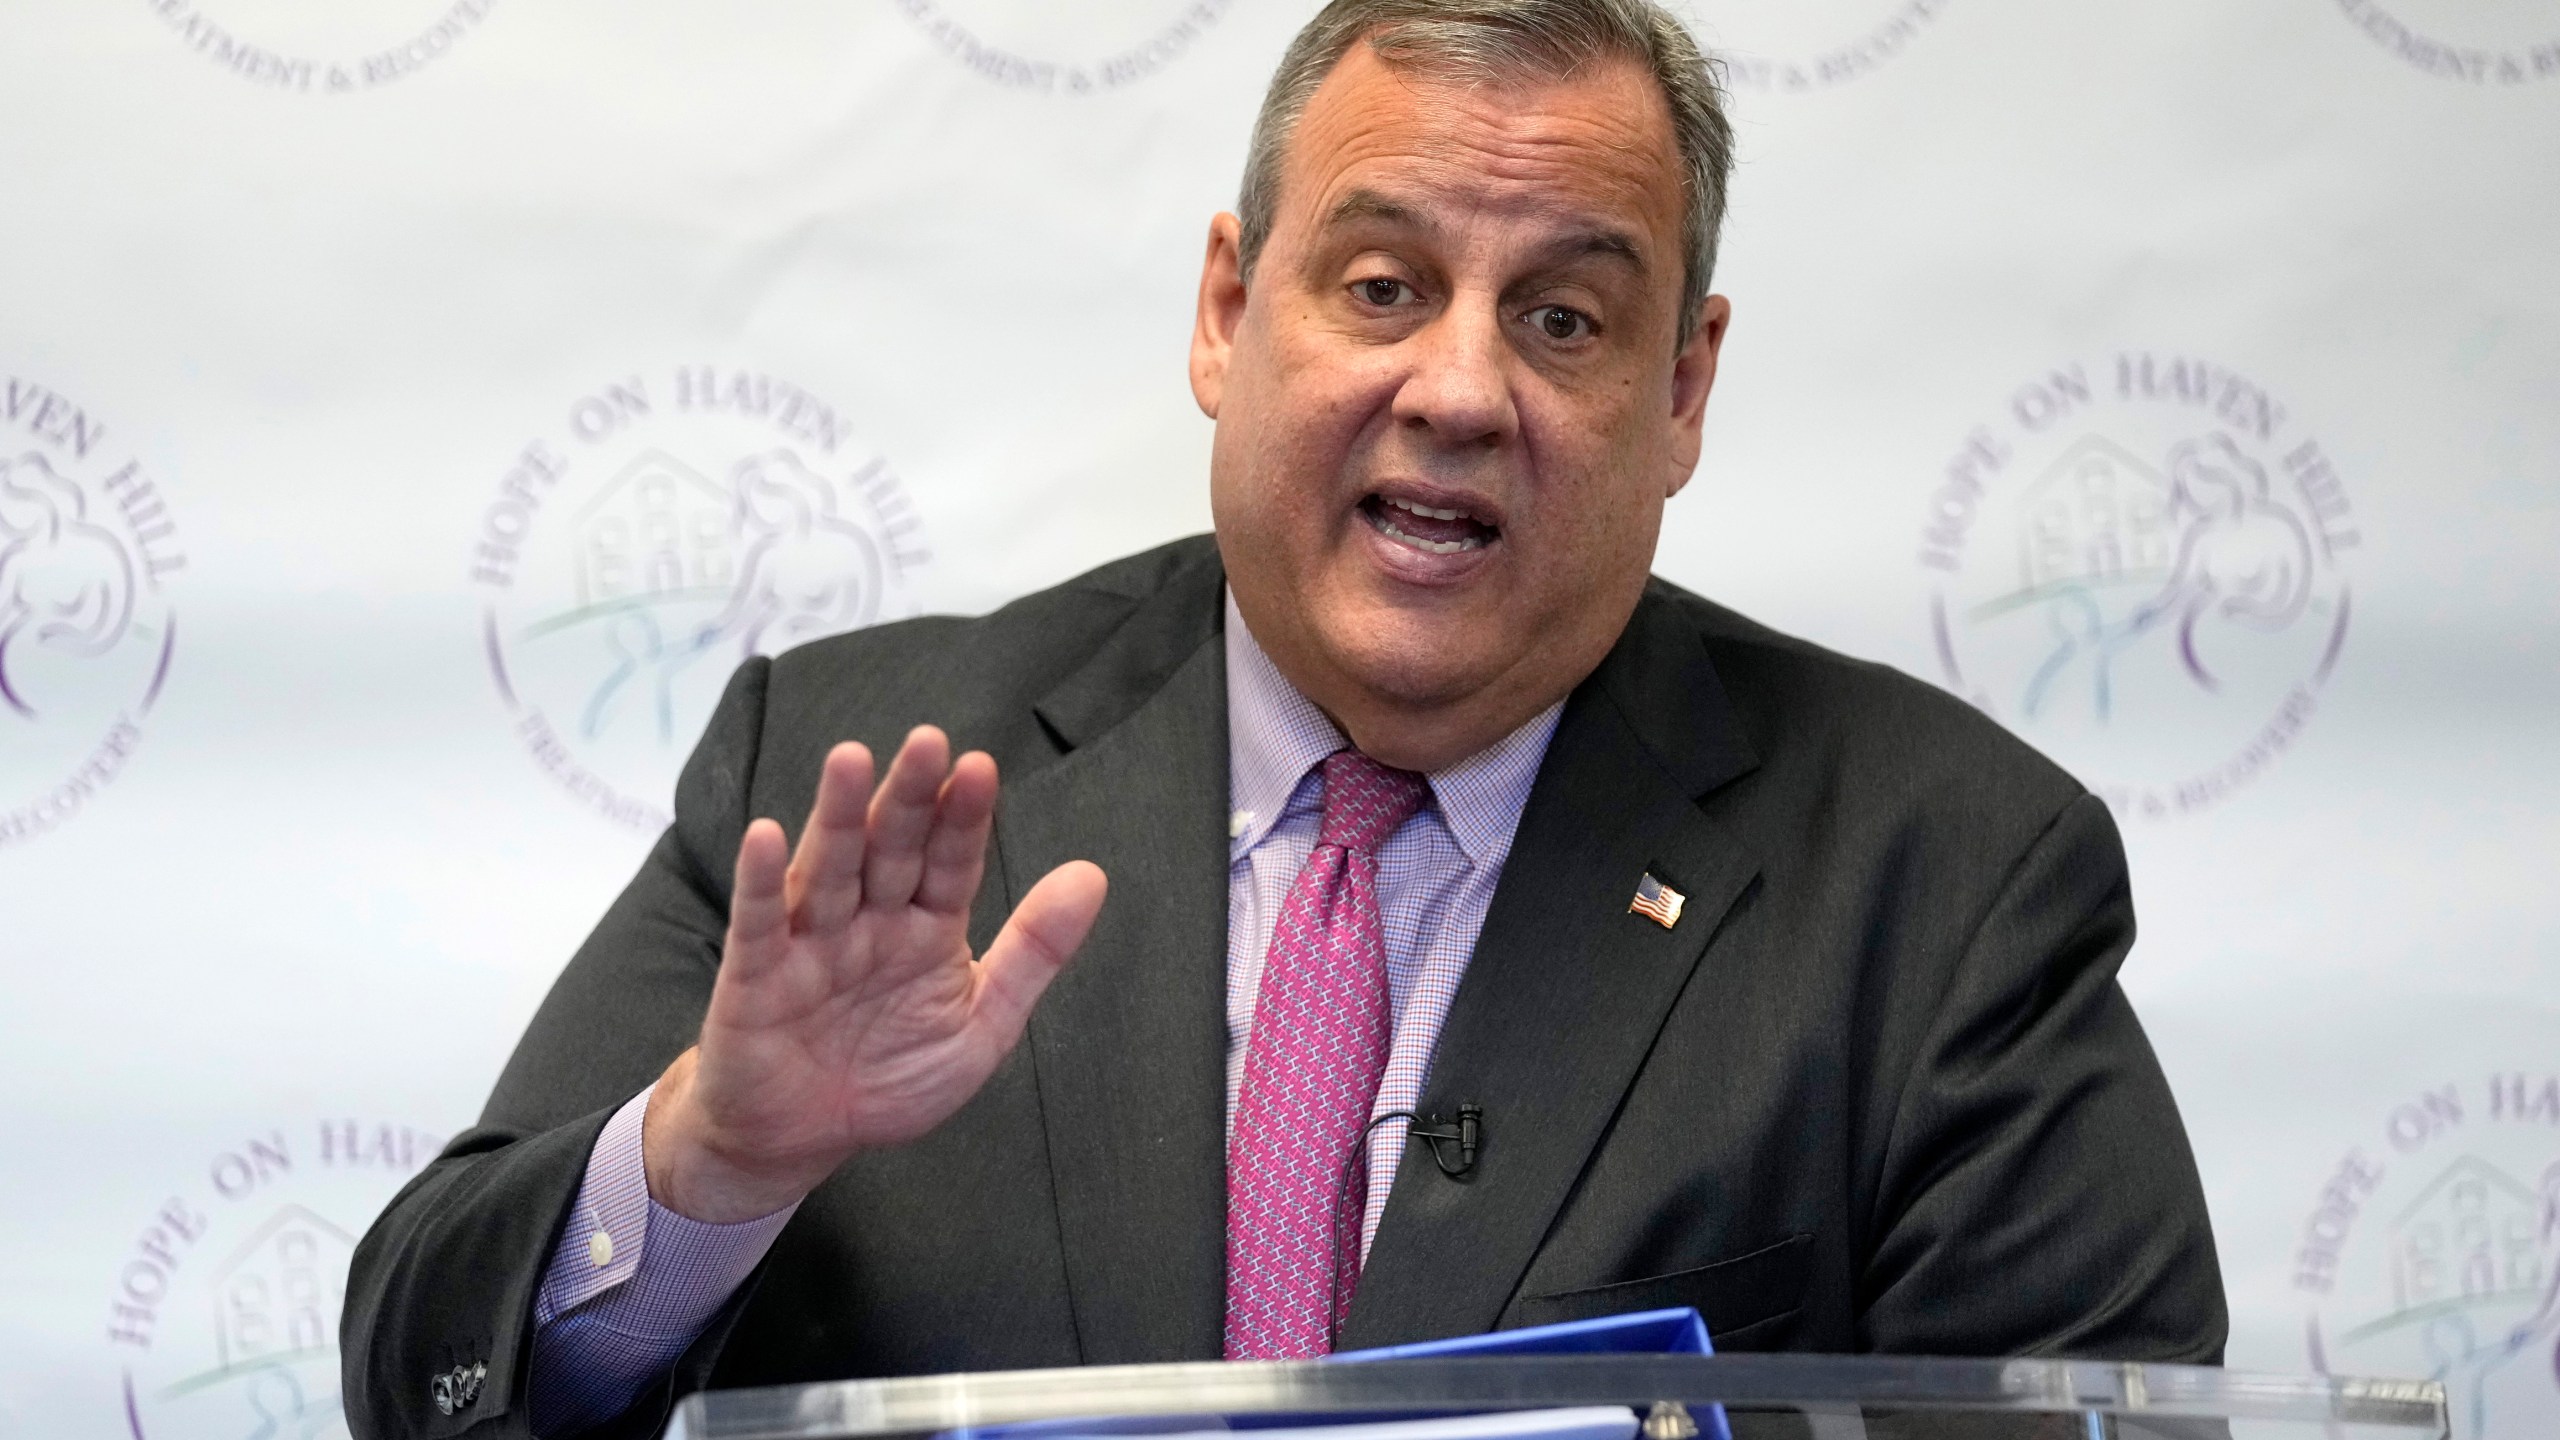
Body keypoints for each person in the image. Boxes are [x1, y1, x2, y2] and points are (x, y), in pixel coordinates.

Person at [343, 3, 2227, 1436]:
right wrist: (708, 1166)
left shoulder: (1945, 877)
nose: (1463, 388)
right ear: (1230, 313)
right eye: (1384, 283)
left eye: (1567, 319)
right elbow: (420, 1365)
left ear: (1683, 389)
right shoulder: (855, 771)